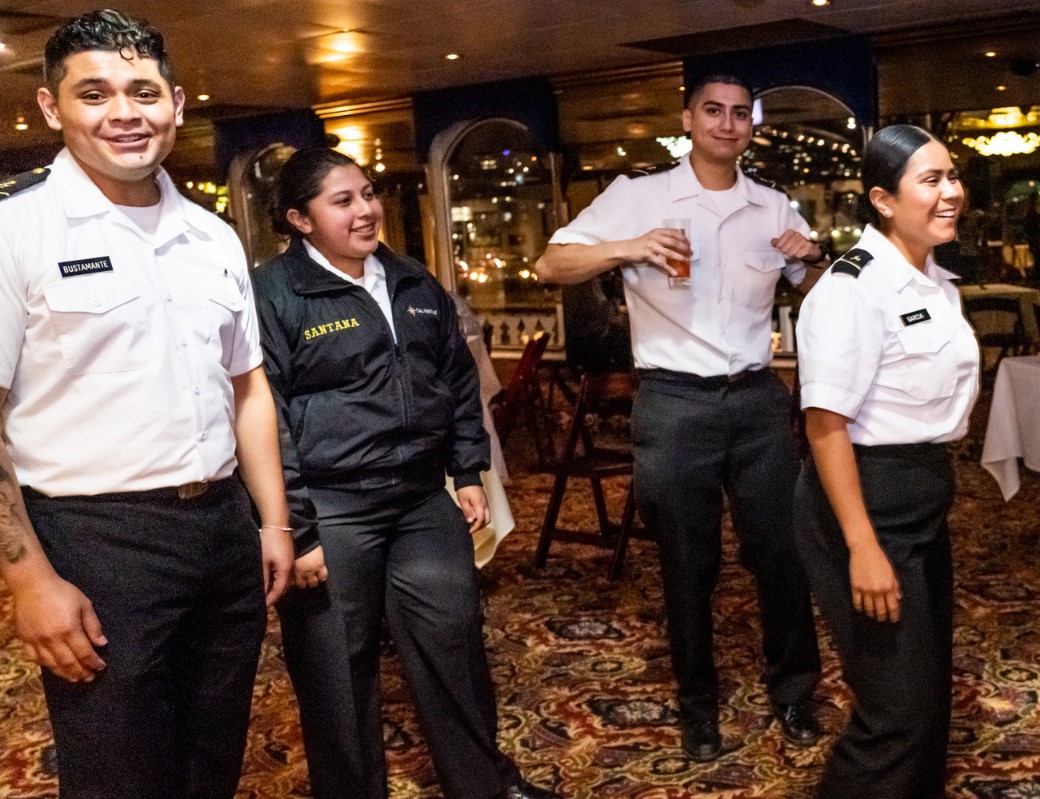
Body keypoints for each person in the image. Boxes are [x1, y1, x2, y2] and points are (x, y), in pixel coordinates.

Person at [0, 10, 294, 798]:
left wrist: (270, 521)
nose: (124, 112)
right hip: (97, 541)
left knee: (210, 761)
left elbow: (248, 386)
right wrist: (29, 581)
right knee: (119, 775)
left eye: (143, 91)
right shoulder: (16, 231)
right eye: (93, 94)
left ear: (178, 101)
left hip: (222, 533)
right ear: (51, 109)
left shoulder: (212, 234)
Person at [534, 72, 827, 762]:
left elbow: (814, 289)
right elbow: (551, 263)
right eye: (713, 111)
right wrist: (627, 248)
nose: (727, 124)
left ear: (751, 126)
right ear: (688, 120)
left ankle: (794, 692)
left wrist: (812, 258)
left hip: (756, 398)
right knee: (686, 562)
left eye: (739, 114)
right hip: (673, 402)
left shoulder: (773, 204)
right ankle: (698, 706)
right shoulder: (638, 197)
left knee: (783, 552)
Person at [253, 148, 557, 799]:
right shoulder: (275, 293)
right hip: (331, 511)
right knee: (336, 671)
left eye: (367, 193)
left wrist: (467, 468)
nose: (365, 209)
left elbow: (455, 380)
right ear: (299, 219)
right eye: (343, 200)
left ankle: (486, 786)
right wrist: (297, 527)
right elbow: (265, 415)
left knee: (456, 647)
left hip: (421, 500)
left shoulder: (413, 280)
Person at [793, 124, 980, 798]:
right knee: (894, 710)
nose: (951, 191)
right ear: (881, 197)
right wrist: (862, 545)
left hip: (921, 491)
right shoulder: (850, 290)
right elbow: (824, 424)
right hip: (861, 498)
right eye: (930, 180)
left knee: (928, 694)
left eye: (952, 175)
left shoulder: (935, 281)